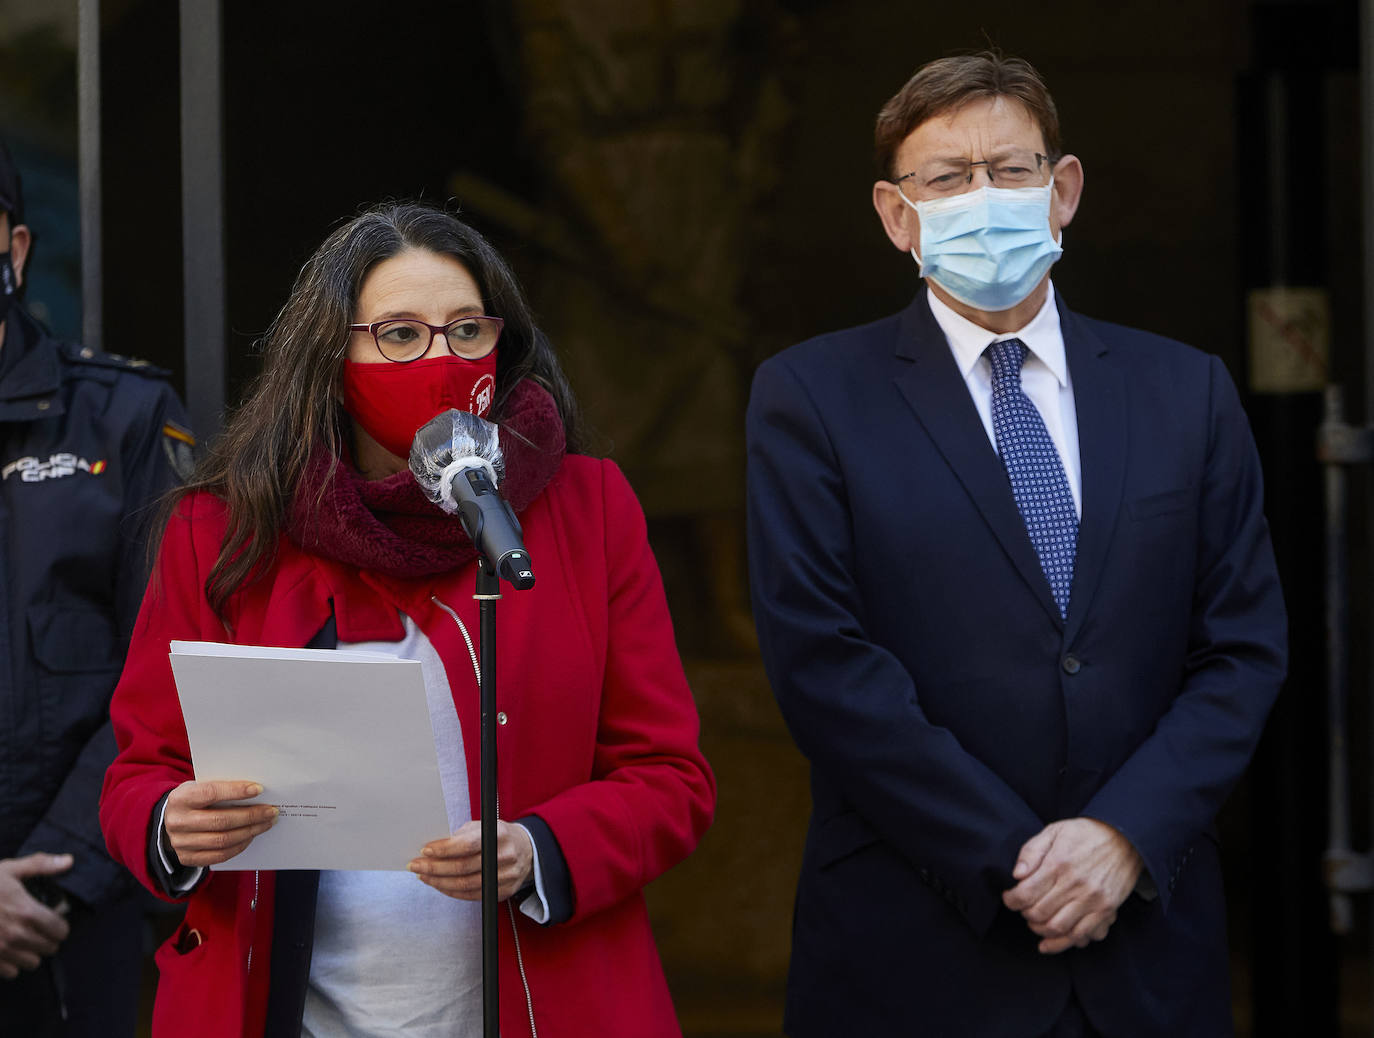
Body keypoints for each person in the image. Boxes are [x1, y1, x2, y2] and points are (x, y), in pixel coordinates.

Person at [746, 52, 1286, 1038]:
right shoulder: (813, 397)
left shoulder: (1186, 393)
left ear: (1062, 188)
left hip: (1148, 954)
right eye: (946, 178)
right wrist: (1016, 858)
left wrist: (1124, 836)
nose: (982, 197)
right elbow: (824, 663)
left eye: (1010, 169)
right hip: (916, 953)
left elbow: (1242, 649)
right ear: (895, 215)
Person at [99, 202, 715, 1038]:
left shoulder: (588, 509)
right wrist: (173, 822)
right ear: (332, 355)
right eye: (398, 335)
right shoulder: (221, 528)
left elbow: (671, 778)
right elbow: (140, 769)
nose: (440, 358)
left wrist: (539, 848)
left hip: (543, 1003)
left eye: (466, 330)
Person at [0, 136, 193, 1036]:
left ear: (17, 249)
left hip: (78, 918)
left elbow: (179, 674)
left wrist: (53, 878)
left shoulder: (127, 417)